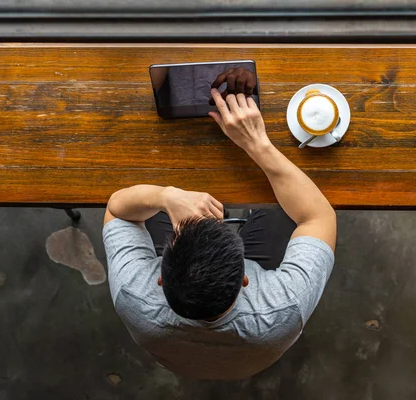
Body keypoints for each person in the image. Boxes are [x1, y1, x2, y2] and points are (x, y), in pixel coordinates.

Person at [102, 87, 336, 380]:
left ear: (161, 279)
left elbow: (116, 210)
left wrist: (166, 196)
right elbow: (318, 216)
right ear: (244, 279)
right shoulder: (284, 306)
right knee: (275, 206)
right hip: (252, 355)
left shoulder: (133, 294)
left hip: (181, 358)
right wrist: (257, 144)